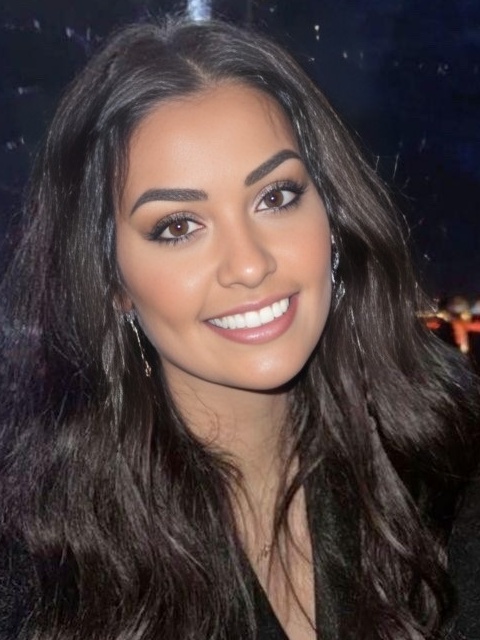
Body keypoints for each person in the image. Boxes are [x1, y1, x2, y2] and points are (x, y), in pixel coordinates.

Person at [0, 17, 478, 640]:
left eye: (275, 197)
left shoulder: (449, 471)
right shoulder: (41, 574)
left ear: (334, 218)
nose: (249, 264)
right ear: (112, 283)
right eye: (178, 226)